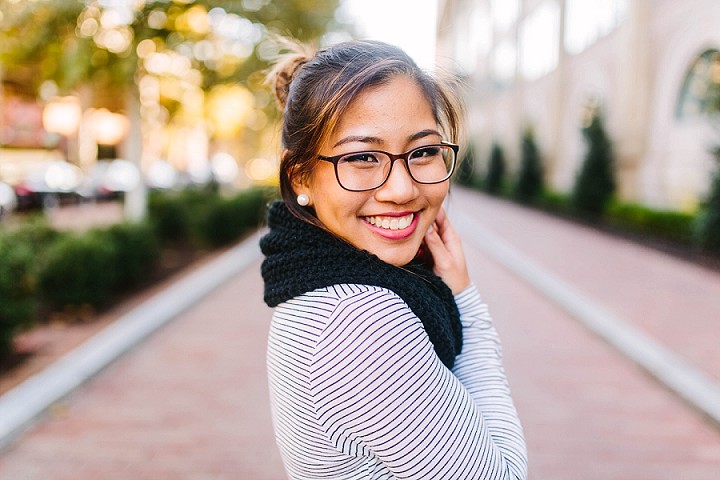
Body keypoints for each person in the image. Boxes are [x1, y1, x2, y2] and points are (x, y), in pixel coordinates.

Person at [260, 38, 527, 480]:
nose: (401, 189)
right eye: (362, 157)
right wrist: (466, 302)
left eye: (422, 152)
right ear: (300, 175)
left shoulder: (324, 284)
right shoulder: (357, 319)